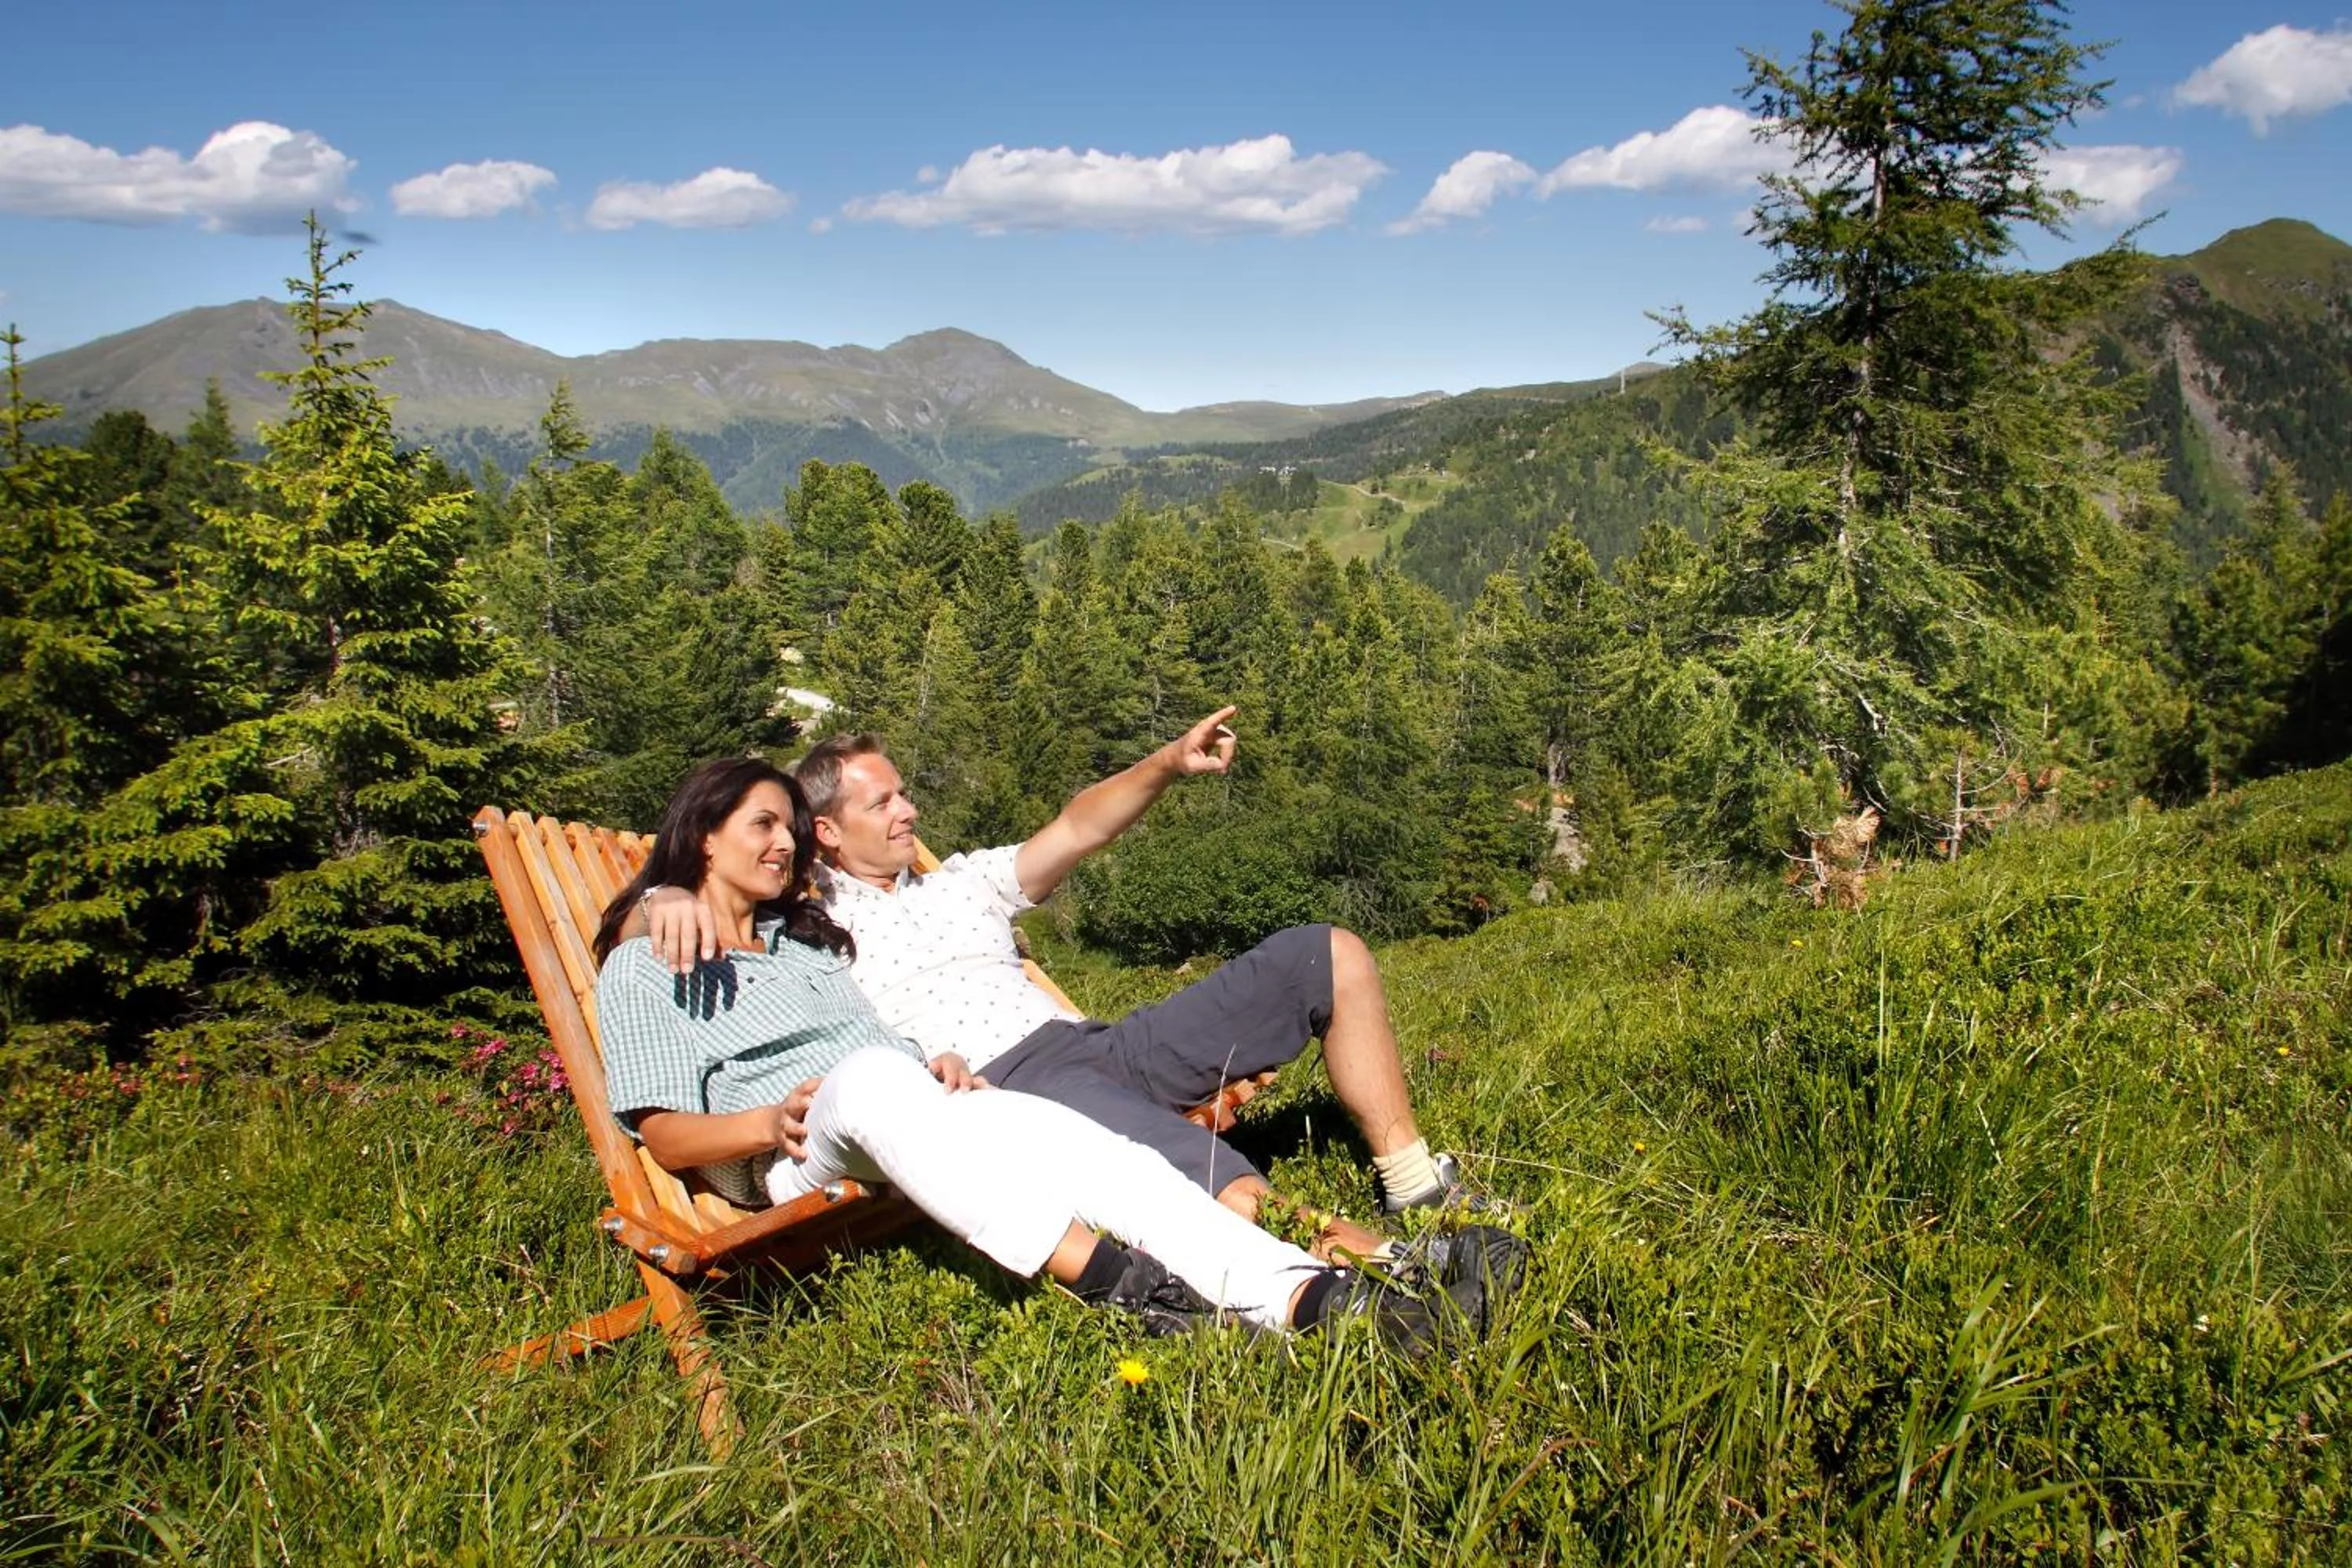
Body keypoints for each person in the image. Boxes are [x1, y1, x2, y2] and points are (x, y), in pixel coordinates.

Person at [594, 756, 1517, 1347]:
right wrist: (659, 897)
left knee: (1110, 1157)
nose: (784, 840)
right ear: (705, 840)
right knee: (882, 1078)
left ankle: (1315, 1302)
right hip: (795, 1146)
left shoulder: (806, 942)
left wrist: (934, 1067)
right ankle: (1122, 1274)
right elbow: (662, 1135)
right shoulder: (678, 954)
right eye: (766, 826)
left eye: (784, 826)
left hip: (952, 1089)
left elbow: (1071, 832)